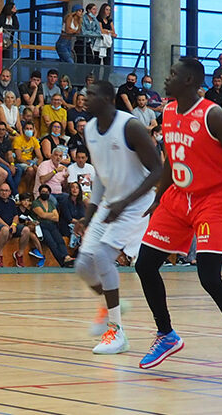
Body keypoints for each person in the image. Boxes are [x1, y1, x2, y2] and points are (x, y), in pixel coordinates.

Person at [135, 57, 222, 382]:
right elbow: (172, 155)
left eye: (172, 74)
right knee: (144, 264)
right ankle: (166, 334)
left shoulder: (213, 116)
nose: (166, 78)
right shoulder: (168, 111)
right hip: (177, 197)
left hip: (212, 199)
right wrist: (159, 196)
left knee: (209, 278)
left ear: (188, 82)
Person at [75, 79, 164, 352]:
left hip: (137, 204)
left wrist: (124, 202)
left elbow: (158, 170)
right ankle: (112, 305)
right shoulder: (89, 128)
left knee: (102, 255)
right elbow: (101, 176)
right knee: (83, 265)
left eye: (90, 94)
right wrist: (88, 215)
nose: (84, 97)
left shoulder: (130, 127)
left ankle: (117, 332)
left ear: (107, 98)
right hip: (111, 203)